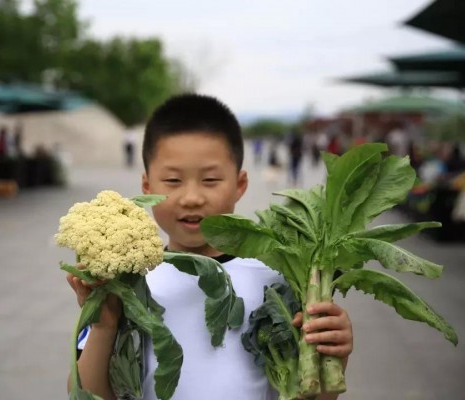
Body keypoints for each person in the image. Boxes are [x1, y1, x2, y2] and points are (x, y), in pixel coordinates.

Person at [66, 94, 353, 400]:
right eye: (173, 180)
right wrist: (104, 326)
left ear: (240, 185)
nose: (191, 197)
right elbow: (86, 394)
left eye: (210, 180)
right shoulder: (127, 282)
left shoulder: (276, 280)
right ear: (147, 186)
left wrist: (332, 353)